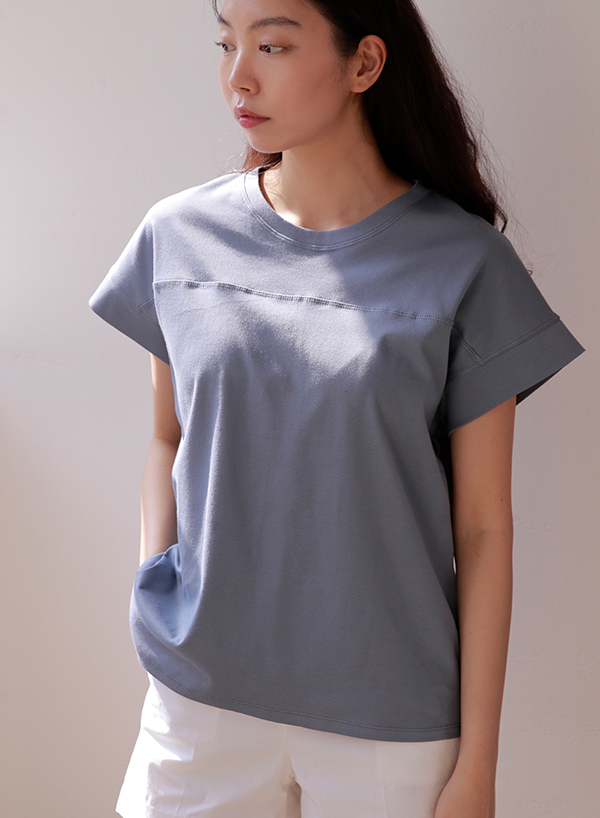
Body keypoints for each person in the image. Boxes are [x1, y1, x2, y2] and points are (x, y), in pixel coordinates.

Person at [89, 1, 584, 816]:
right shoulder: (178, 235)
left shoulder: (465, 262)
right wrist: (156, 582)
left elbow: (483, 529)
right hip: (200, 701)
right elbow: (166, 439)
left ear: (365, 64)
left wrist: (478, 765)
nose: (238, 76)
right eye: (227, 43)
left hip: (389, 723)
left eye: (273, 45)